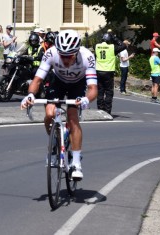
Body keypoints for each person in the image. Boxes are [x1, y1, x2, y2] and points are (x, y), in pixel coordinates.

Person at [21, 30, 98, 180]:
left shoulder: (87, 57)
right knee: (49, 114)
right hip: (58, 82)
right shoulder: (51, 53)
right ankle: (55, 144)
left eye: (68, 56)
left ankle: (76, 162)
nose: (65, 59)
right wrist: (30, 95)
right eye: (62, 55)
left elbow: (93, 88)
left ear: (76, 53)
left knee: (72, 117)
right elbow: (37, 80)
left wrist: (86, 99)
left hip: (77, 84)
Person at [95, 33, 126, 114]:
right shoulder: (112, 47)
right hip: (108, 72)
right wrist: (115, 38)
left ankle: (100, 110)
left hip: (98, 70)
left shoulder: (97, 46)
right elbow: (123, 45)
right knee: (109, 92)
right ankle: (107, 111)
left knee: (100, 91)